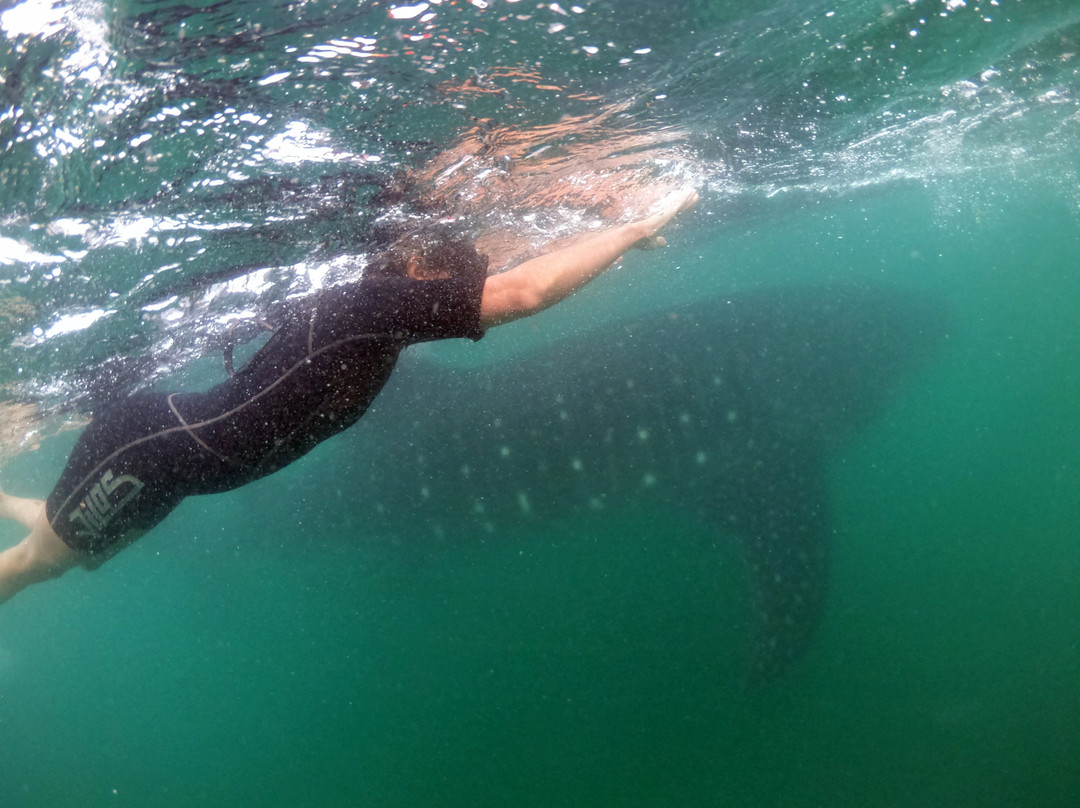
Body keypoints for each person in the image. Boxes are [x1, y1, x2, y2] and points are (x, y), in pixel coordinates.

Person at [0, 189, 698, 605]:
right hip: (147, 449)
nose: (459, 282)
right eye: (452, 266)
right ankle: (43, 523)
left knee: (78, 551)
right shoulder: (369, 307)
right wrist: (629, 231)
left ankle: (25, 506)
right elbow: (525, 291)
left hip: (177, 468)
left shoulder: (381, 326)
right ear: (412, 260)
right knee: (36, 565)